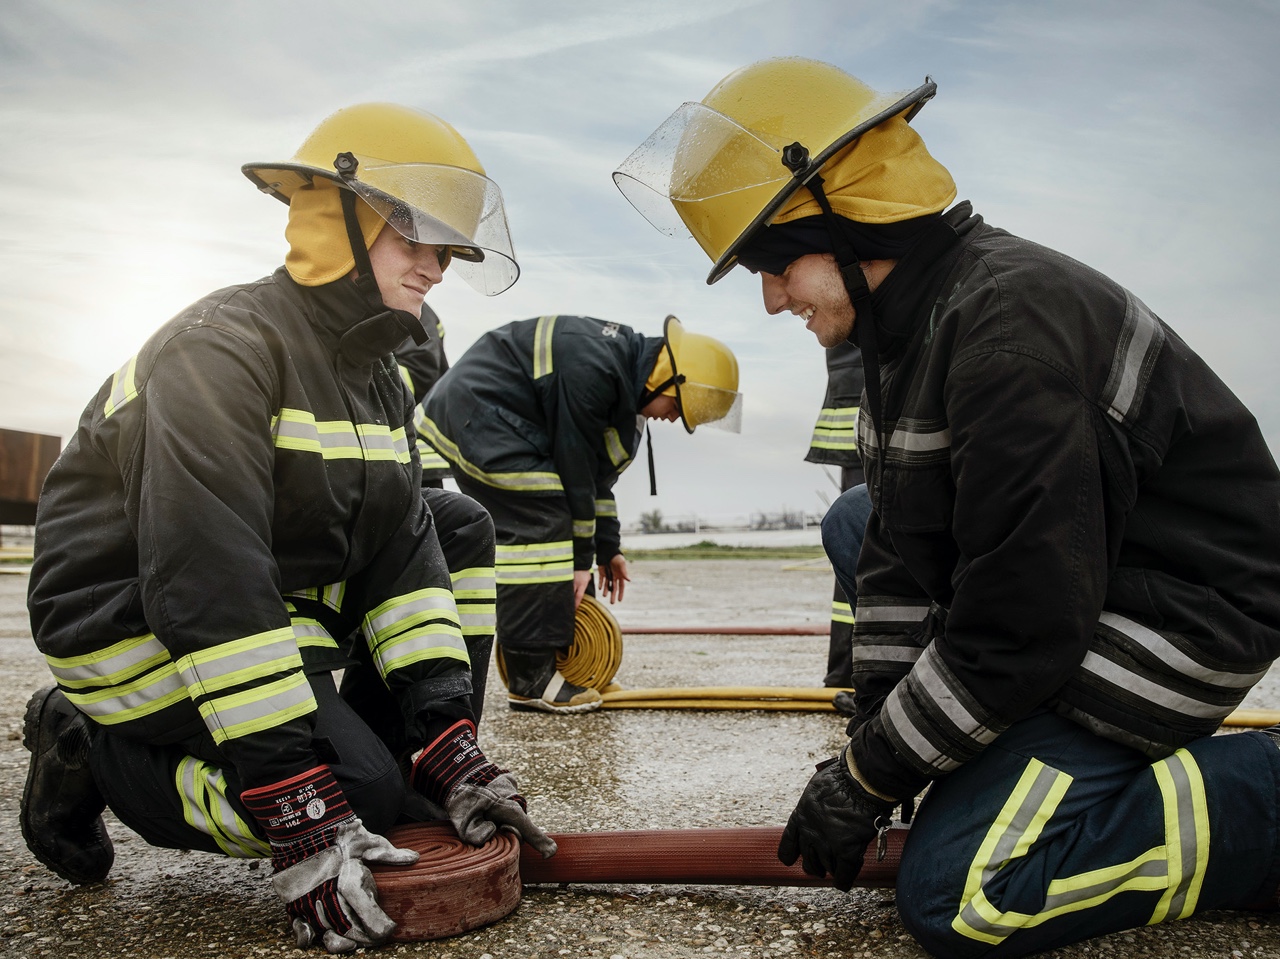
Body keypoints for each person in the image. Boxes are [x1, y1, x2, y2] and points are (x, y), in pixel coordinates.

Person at [615, 56, 1280, 958]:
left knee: (962, 892)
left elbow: (1022, 625)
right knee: (856, 519)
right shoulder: (911, 324)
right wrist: (879, 741)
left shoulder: (1009, 330)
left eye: (776, 263)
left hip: (1182, 615)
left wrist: (873, 773)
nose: (772, 300)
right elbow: (893, 544)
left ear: (846, 219)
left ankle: (1262, 801)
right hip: (1089, 576)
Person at [22, 102, 556, 954]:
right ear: (336, 219)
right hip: (134, 620)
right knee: (351, 797)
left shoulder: (374, 370)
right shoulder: (219, 350)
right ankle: (89, 744)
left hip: (264, 601)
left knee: (452, 523)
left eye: (446, 245)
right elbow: (205, 575)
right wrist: (294, 797)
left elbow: (398, 543)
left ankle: (405, 761)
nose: (438, 265)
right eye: (412, 235)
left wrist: (444, 732)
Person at [420, 314, 741, 714]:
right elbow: (574, 470)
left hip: (503, 421)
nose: (673, 418)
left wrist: (607, 550)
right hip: (478, 415)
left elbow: (593, 480)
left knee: (562, 528)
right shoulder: (597, 371)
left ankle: (569, 662)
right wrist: (581, 561)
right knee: (543, 517)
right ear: (667, 379)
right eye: (677, 407)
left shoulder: (621, 378)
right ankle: (529, 677)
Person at [806, 338, 872, 698]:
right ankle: (854, 673)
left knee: (858, 540)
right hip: (870, 409)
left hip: (857, 401)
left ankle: (848, 671)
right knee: (862, 536)